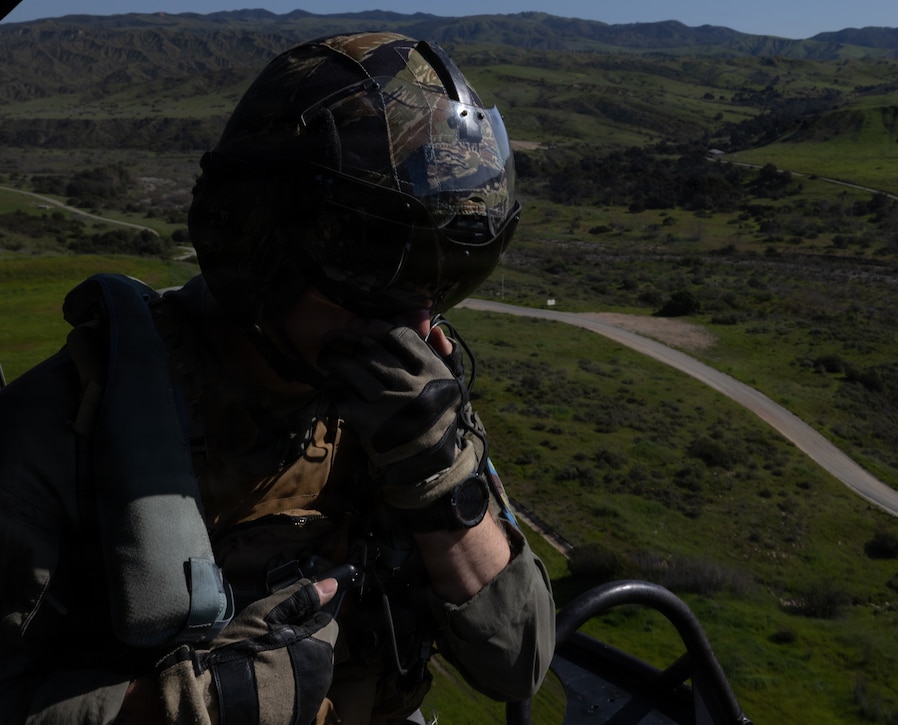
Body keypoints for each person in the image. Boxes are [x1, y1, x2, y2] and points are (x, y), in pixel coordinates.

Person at [0, 31, 555, 724]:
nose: (415, 328)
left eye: (444, 282)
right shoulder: (69, 426)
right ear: (259, 242)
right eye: (370, 264)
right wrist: (188, 708)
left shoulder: (409, 409)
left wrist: (440, 477)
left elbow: (517, 660)